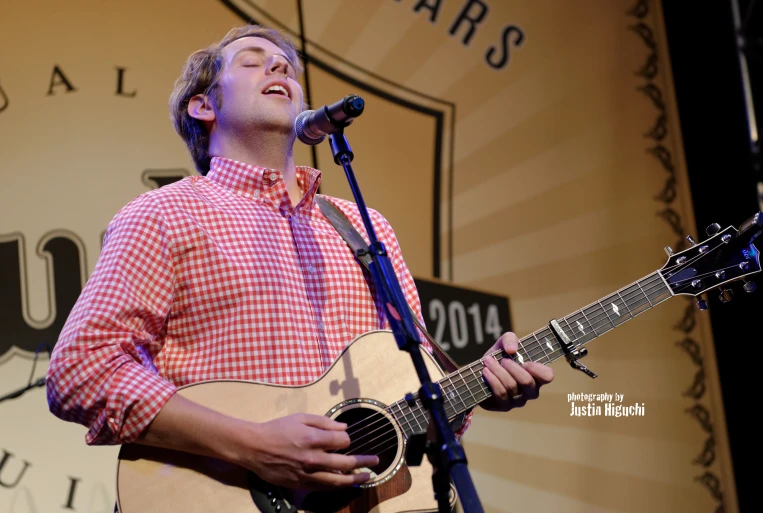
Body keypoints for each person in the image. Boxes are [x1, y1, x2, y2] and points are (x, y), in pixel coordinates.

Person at [45, 24, 554, 492]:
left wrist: (479, 386)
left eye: (286, 64)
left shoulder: (365, 227)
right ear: (204, 106)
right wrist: (251, 444)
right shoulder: (165, 213)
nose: (280, 67)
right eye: (251, 60)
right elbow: (81, 370)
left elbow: (413, 390)